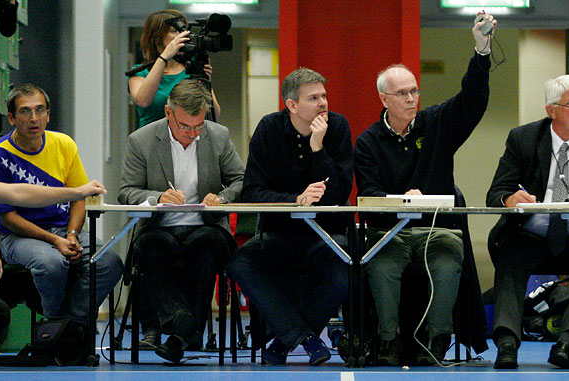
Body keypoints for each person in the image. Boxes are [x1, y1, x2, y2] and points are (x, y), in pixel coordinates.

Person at [353, 13, 496, 365]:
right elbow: (367, 194)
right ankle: (387, 341)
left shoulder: (436, 123)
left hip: (437, 229)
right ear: (384, 99)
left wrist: (481, 50)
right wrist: (402, 200)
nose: (411, 98)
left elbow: (472, 100)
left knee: (449, 262)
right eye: (402, 93)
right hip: (389, 234)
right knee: (382, 266)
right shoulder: (368, 141)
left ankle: (436, 341)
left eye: (415, 90)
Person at [486, 75, 569, 369]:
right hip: (531, 234)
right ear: (551, 110)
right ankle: (507, 342)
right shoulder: (522, 139)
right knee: (511, 250)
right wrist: (510, 200)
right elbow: (496, 192)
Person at [228, 68, 353, 366]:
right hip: (279, 234)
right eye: (313, 98)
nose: (323, 102)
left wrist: (318, 149)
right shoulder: (269, 129)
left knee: (346, 274)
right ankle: (305, 338)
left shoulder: (337, 127)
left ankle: (283, 343)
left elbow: (339, 194)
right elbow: (252, 192)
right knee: (239, 264)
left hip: (326, 235)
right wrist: (295, 200)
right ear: (292, 105)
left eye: (324, 95)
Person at [118, 79, 244, 364]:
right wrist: (157, 196)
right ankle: (185, 327)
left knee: (206, 247)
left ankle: (177, 330)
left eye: (198, 126)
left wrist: (222, 198)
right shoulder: (141, 140)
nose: (191, 134)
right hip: (159, 225)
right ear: (168, 113)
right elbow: (126, 192)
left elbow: (240, 179)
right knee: (151, 247)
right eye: (184, 126)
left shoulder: (219, 136)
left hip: (206, 225)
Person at [0, 84, 123, 325]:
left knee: (109, 261)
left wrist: (71, 234)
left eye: (40, 110)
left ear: (48, 114)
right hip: (19, 236)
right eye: (25, 112)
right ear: (12, 118)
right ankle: (52, 325)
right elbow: (7, 216)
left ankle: (69, 327)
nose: (34, 118)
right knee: (52, 263)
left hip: (64, 229)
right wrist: (54, 241)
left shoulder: (64, 144)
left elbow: (78, 197)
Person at [0, 175, 107, 348]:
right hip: (19, 240)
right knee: (49, 262)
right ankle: (55, 330)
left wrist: (78, 192)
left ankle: (64, 329)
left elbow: (19, 193)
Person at [128, 9, 221, 129]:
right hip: (152, 142)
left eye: (183, 30)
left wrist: (206, 81)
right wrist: (164, 58)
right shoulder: (141, 72)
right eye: (175, 31)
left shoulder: (190, 70)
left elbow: (214, 117)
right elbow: (143, 101)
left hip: (187, 140)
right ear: (158, 38)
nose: (182, 35)